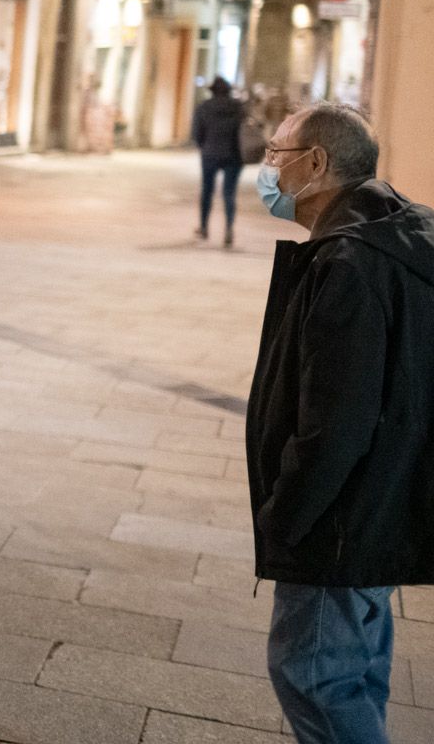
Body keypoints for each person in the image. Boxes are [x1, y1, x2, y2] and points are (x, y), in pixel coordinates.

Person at [246, 103, 434, 743]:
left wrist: (285, 518)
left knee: (312, 675)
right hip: (383, 506)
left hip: (339, 522)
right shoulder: (403, 235)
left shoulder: (349, 265)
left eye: (277, 153)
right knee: (354, 674)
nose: (267, 168)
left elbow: (335, 424)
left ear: (316, 164)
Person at [191, 76, 246, 248]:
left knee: (207, 191)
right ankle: (229, 229)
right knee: (229, 194)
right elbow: (246, 130)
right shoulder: (238, 107)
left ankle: (204, 227)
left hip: (210, 154)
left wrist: (204, 146)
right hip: (234, 155)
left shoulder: (204, 107)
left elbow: (196, 133)